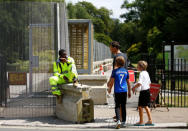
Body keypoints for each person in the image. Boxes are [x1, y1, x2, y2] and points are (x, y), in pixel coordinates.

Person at [107, 56, 131, 129]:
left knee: (117, 106)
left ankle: (118, 121)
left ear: (116, 63)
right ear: (123, 63)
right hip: (124, 91)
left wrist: (110, 89)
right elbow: (128, 82)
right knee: (123, 106)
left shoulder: (114, 71)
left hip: (117, 91)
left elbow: (112, 81)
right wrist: (129, 91)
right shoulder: (126, 71)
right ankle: (123, 121)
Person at [109, 41, 129, 122]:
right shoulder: (124, 55)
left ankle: (119, 118)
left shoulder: (116, 56)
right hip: (124, 79)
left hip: (117, 81)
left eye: (110, 47)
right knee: (122, 103)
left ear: (114, 48)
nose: (110, 49)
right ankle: (120, 117)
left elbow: (114, 69)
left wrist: (110, 81)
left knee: (117, 103)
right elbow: (126, 67)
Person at [132, 61, 153, 126]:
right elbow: (149, 82)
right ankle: (150, 120)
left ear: (141, 67)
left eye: (137, 66)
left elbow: (140, 83)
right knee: (146, 106)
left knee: (140, 106)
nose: (137, 67)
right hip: (147, 90)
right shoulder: (146, 73)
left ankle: (141, 121)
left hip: (143, 92)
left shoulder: (141, 74)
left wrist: (134, 87)